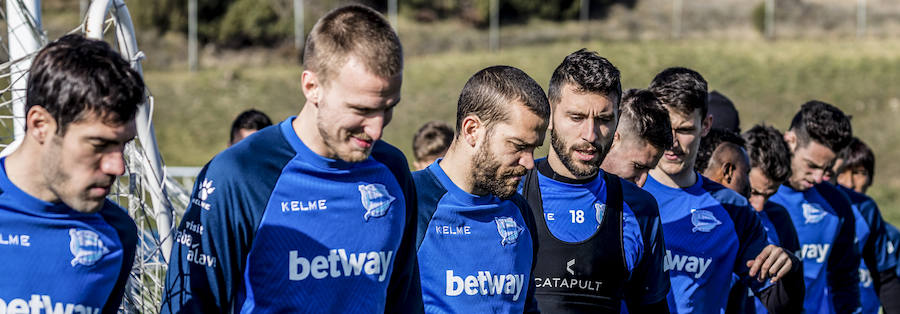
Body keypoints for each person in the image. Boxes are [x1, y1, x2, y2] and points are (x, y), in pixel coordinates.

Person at [161, 5, 423, 312]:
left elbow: (404, 303)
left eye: (388, 107)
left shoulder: (392, 170)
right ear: (312, 87)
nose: (377, 129)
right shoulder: (240, 174)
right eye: (362, 110)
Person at [517, 49, 669, 312]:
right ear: (550, 116)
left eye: (604, 119)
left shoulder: (640, 208)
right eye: (576, 117)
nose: (590, 134)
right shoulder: (511, 192)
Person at [0, 34, 141, 313]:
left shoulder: (118, 233)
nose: (118, 167)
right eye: (99, 145)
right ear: (40, 124)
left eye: (123, 145)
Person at [642, 67, 802, 313]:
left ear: (705, 125)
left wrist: (791, 268)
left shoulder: (733, 208)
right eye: (665, 127)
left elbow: (779, 303)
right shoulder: (623, 194)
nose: (672, 143)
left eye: (684, 130)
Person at [413, 65, 548, 313]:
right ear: (472, 130)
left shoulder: (520, 213)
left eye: (534, 149)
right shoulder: (410, 200)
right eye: (518, 146)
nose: (529, 163)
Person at [766, 100, 861, 313]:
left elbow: (845, 280)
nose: (818, 177)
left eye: (827, 168)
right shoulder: (755, 195)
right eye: (811, 165)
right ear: (790, 141)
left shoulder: (837, 205)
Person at [724, 125, 805, 314]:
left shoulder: (779, 218)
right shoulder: (712, 215)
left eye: (770, 195)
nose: (759, 205)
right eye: (753, 192)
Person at [830, 137, 900, 314]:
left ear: (871, 178)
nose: (850, 182)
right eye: (844, 172)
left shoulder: (888, 232)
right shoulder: (819, 207)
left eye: (859, 172)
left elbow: (888, 282)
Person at [600, 88, 673, 187]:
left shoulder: (641, 201)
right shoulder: (572, 193)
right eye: (638, 166)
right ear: (612, 139)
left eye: (648, 170)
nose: (641, 183)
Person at [695, 128, 750, 197]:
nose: (750, 187)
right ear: (728, 171)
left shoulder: (683, 200)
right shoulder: (734, 204)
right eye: (746, 173)